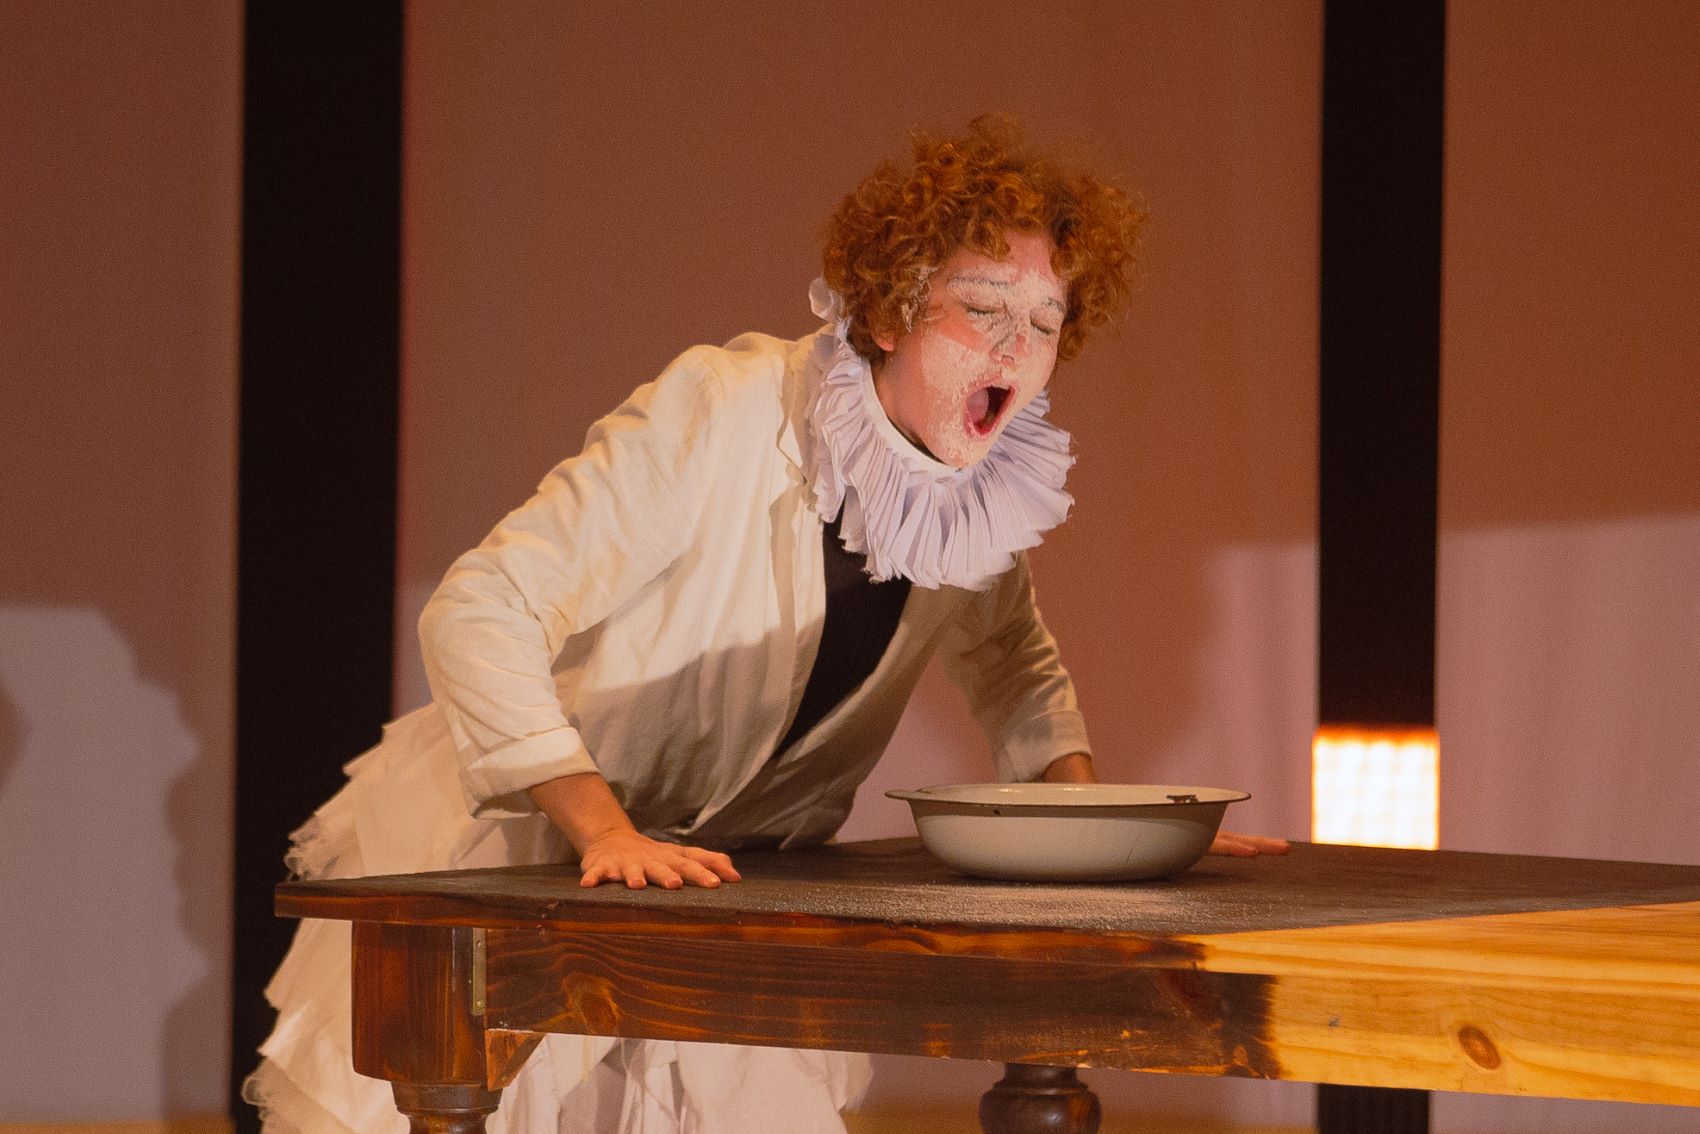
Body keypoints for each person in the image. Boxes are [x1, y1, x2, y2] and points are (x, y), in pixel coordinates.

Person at [244, 116, 1289, 1134]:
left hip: (721, 889)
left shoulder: (972, 491)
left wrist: (1103, 832)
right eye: (982, 310)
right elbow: (480, 605)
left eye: (1046, 323)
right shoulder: (728, 406)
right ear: (887, 313)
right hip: (520, 866)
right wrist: (602, 827)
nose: (1016, 348)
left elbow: (1013, 664)